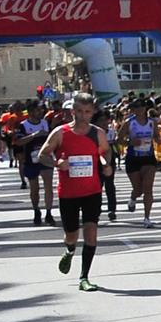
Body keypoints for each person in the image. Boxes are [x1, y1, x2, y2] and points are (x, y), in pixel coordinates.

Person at [36, 93, 113, 291]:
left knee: (91, 233)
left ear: (92, 112)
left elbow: (105, 151)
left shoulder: (98, 133)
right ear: (73, 111)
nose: (83, 115)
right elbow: (42, 155)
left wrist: (105, 163)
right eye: (79, 111)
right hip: (68, 193)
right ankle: (70, 251)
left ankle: (84, 277)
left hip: (92, 191)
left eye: (87, 112)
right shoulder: (60, 133)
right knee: (71, 235)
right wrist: (56, 163)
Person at [14, 102, 54, 225]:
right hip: (31, 159)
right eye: (37, 110)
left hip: (45, 158)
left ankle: (48, 212)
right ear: (30, 112)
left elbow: (53, 138)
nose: (40, 112)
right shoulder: (23, 125)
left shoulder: (45, 123)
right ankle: (36, 210)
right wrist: (34, 135)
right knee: (34, 188)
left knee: (48, 185)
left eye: (41, 110)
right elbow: (18, 141)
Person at [125, 100, 160, 224]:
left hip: (148, 158)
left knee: (148, 189)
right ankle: (133, 198)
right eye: (136, 107)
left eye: (141, 107)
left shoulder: (152, 122)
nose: (139, 110)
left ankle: (147, 218)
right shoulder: (129, 122)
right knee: (138, 189)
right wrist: (130, 142)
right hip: (133, 158)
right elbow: (118, 139)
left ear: (145, 108)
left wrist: (157, 139)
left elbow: (156, 135)